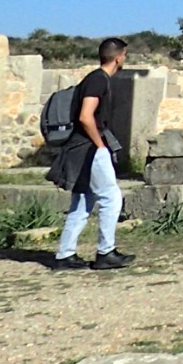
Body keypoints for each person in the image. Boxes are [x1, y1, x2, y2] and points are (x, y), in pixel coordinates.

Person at [50, 37, 134, 271]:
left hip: (83, 148)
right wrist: (100, 145)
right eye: (124, 56)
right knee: (111, 197)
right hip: (90, 147)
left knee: (83, 200)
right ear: (118, 57)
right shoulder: (98, 80)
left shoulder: (95, 79)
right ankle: (105, 252)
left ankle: (65, 255)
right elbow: (86, 116)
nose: (124, 60)